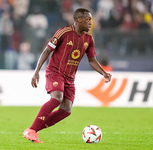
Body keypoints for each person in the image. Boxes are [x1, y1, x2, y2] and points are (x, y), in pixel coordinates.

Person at [23, 8, 112, 143]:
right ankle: (31, 130)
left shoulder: (89, 39)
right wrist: (36, 72)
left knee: (66, 109)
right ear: (79, 20)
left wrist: (104, 73)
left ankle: (33, 130)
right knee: (57, 98)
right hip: (55, 71)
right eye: (88, 20)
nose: (90, 23)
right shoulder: (64, 32)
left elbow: (92, 60)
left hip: (70, 77)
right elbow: (47, 50)